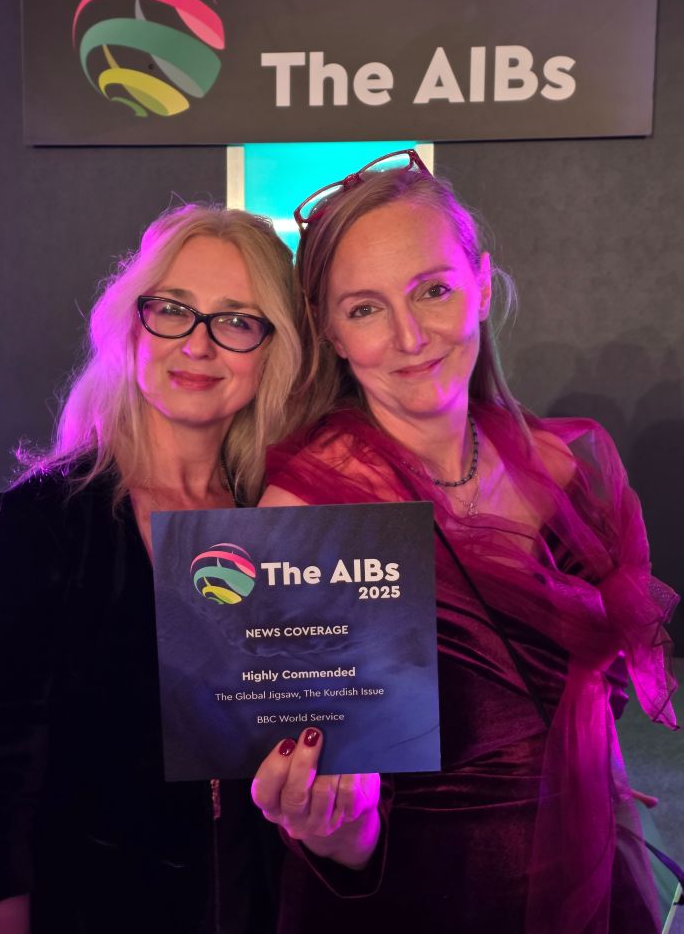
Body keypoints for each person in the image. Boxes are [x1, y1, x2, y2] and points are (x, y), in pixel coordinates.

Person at [250, 151, 679, 933]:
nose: (410, 336)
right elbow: (315, 772)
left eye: (434, 290)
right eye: (365, 308)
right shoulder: (308, 511)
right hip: (424, 893)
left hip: (590, 869)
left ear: (482, 285)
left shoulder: (569, 466)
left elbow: (599, 693)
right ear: (330, 333)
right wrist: (335, 831)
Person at [0, 203, 301, 934]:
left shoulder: (287, 524)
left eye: (235, 321)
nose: (198, 344)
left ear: (273, 351)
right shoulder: (37, 523)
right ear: (133, 325)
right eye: (174, 309)